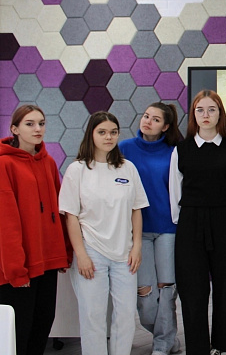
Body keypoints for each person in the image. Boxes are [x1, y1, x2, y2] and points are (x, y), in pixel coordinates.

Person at [59, 111, 149, 355]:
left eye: (113, 132)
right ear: (91, 134)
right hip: (91, 252)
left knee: (126, 315)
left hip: (125, 254)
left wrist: (137, 246)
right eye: (102, 132)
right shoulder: (77, 170)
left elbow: (137, 209)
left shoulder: (127, 168)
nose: (108, 137)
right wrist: (81, 255)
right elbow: (71, 216)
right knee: (93, 316)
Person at [169, 90, 226, 355]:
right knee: (193, 289)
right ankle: (198, 348)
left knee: (225, 285)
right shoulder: (181, 150)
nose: (206, 115)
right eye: (200, 110)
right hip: (190, 221)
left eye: (212, 109)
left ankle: (223, 343)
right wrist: (183, 220)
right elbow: (175, 191)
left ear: (220, 113)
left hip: (224, 220)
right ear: (193, 114)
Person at [0, 105, 71, 355]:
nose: (37, 129)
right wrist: (16, 270)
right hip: (19, 266)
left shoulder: (48, 162)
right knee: (19, 333)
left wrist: (64, 251)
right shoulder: (4, 164)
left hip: (47, 261)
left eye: (41, 123)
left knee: (42, 325)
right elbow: (6, 222)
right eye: (29, 124)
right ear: (15, 129)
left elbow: (58, 210)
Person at [119, 102, 182, 355]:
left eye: (156, 119)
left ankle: (162, 345)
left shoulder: (175, 152)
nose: (148, 121)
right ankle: (166, 337)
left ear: (165, 127)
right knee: (145, 294)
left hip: (168, 228)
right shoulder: (124, 149)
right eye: (146, 116)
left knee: (166, 290)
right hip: (137, 231)